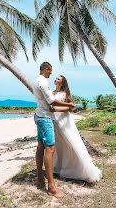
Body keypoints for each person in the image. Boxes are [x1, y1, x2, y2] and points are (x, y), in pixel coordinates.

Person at [33, 62, 75, 198]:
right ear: (46, 69)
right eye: (50, 71)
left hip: (39, 115)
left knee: (41, 146)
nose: (51, 74)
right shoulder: (43, 82)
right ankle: (51, 187)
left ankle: (40, 179)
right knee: (50, 148)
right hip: (45, 118)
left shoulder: (38, 80)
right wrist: (68, 104)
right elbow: (52, 101)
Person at [51, 75, 102, 183]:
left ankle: (71, 169)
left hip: (64, 121)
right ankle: (57, 168)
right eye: (56, 78)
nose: (56, 79)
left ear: (62, 83)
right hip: (54, 121)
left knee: (70, 144)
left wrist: (56, 109)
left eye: (59, 79)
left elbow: (70, 107)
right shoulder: (51, 92)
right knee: (58, 146)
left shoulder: (65, 94)